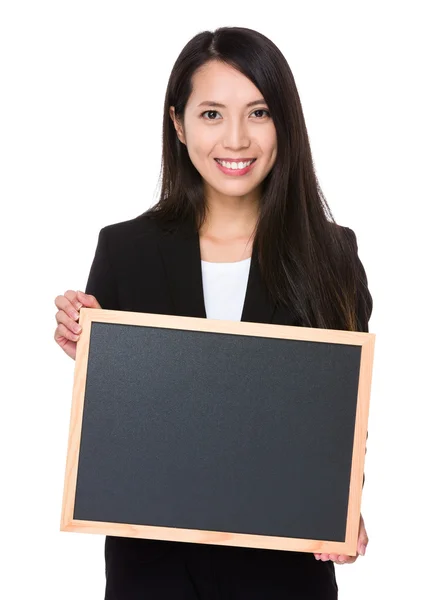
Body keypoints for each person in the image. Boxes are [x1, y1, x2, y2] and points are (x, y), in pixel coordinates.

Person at [54, 26, 371, 600]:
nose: (236, 138)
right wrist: (88, 343)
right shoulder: (125, 250)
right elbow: (126, 418)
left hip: (283, 569)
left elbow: (339, 408)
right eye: (210, 115)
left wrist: (345, 505)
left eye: (259, 113)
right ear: (177, 124)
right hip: (152, 568)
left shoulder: (330, 253)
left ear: (285, 124)